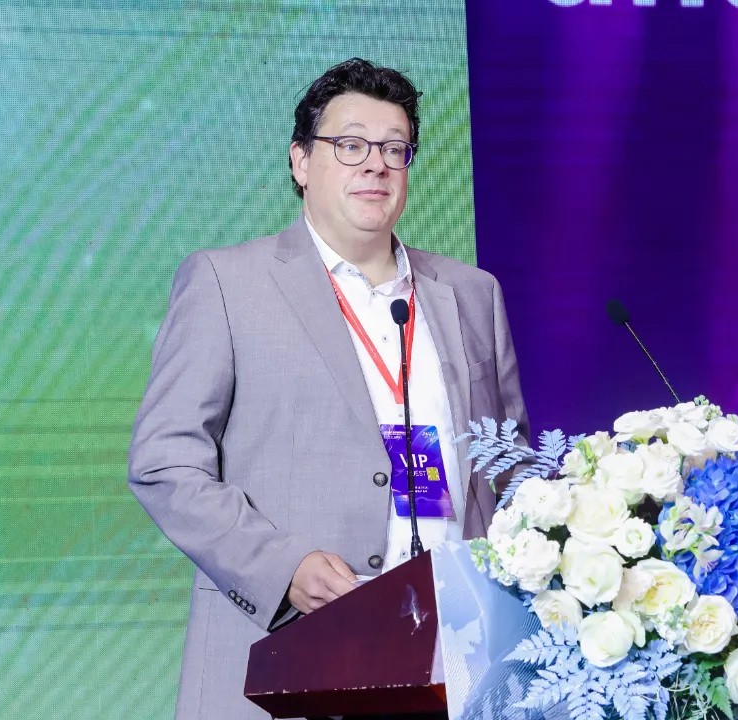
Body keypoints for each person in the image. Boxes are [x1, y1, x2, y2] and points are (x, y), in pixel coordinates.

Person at [128, 58, 529, 720]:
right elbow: (164, 463)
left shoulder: (470, 293)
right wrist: (281, 567)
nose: (375, 165)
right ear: (301, 162)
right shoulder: (226, 283)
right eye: (350, 145)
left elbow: (510, 468)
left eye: (394, 148)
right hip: (290, 655)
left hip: (458, 662)